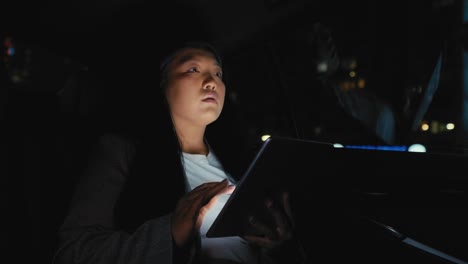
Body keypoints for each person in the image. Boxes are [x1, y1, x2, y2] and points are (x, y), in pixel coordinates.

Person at [52, 41, 308, 264]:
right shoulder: (122, 152)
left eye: (218, 73)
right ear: (163, 85)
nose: (212, 82)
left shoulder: (243, 164)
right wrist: (170, 233)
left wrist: (276, 248)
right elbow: (75, 252)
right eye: (193, 69)